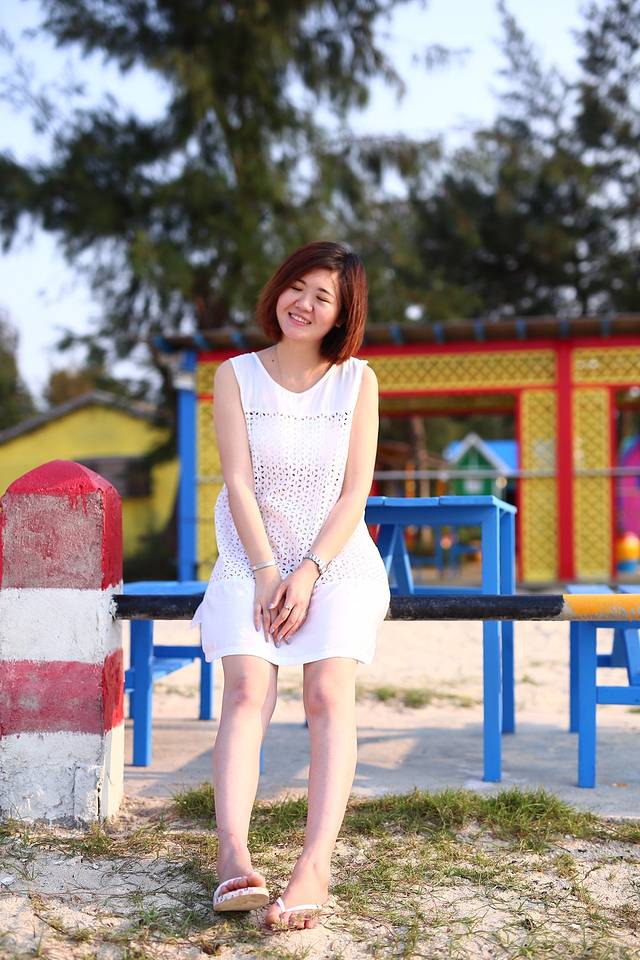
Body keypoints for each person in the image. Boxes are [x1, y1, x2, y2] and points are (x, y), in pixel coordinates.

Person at [190, 240, 391, 931]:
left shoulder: (357, 382)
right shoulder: (236, 376)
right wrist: (270, 571)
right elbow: (238, 483)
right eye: (296, 287)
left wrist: (307, 571)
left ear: (342, 313)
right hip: (252, 560)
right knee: (247, 689)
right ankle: (232, 854)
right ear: (278, 289)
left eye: (322, 296)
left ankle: (315, 866)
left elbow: (355, 492)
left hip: (335, 563)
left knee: (327, 693)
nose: (303, 304)